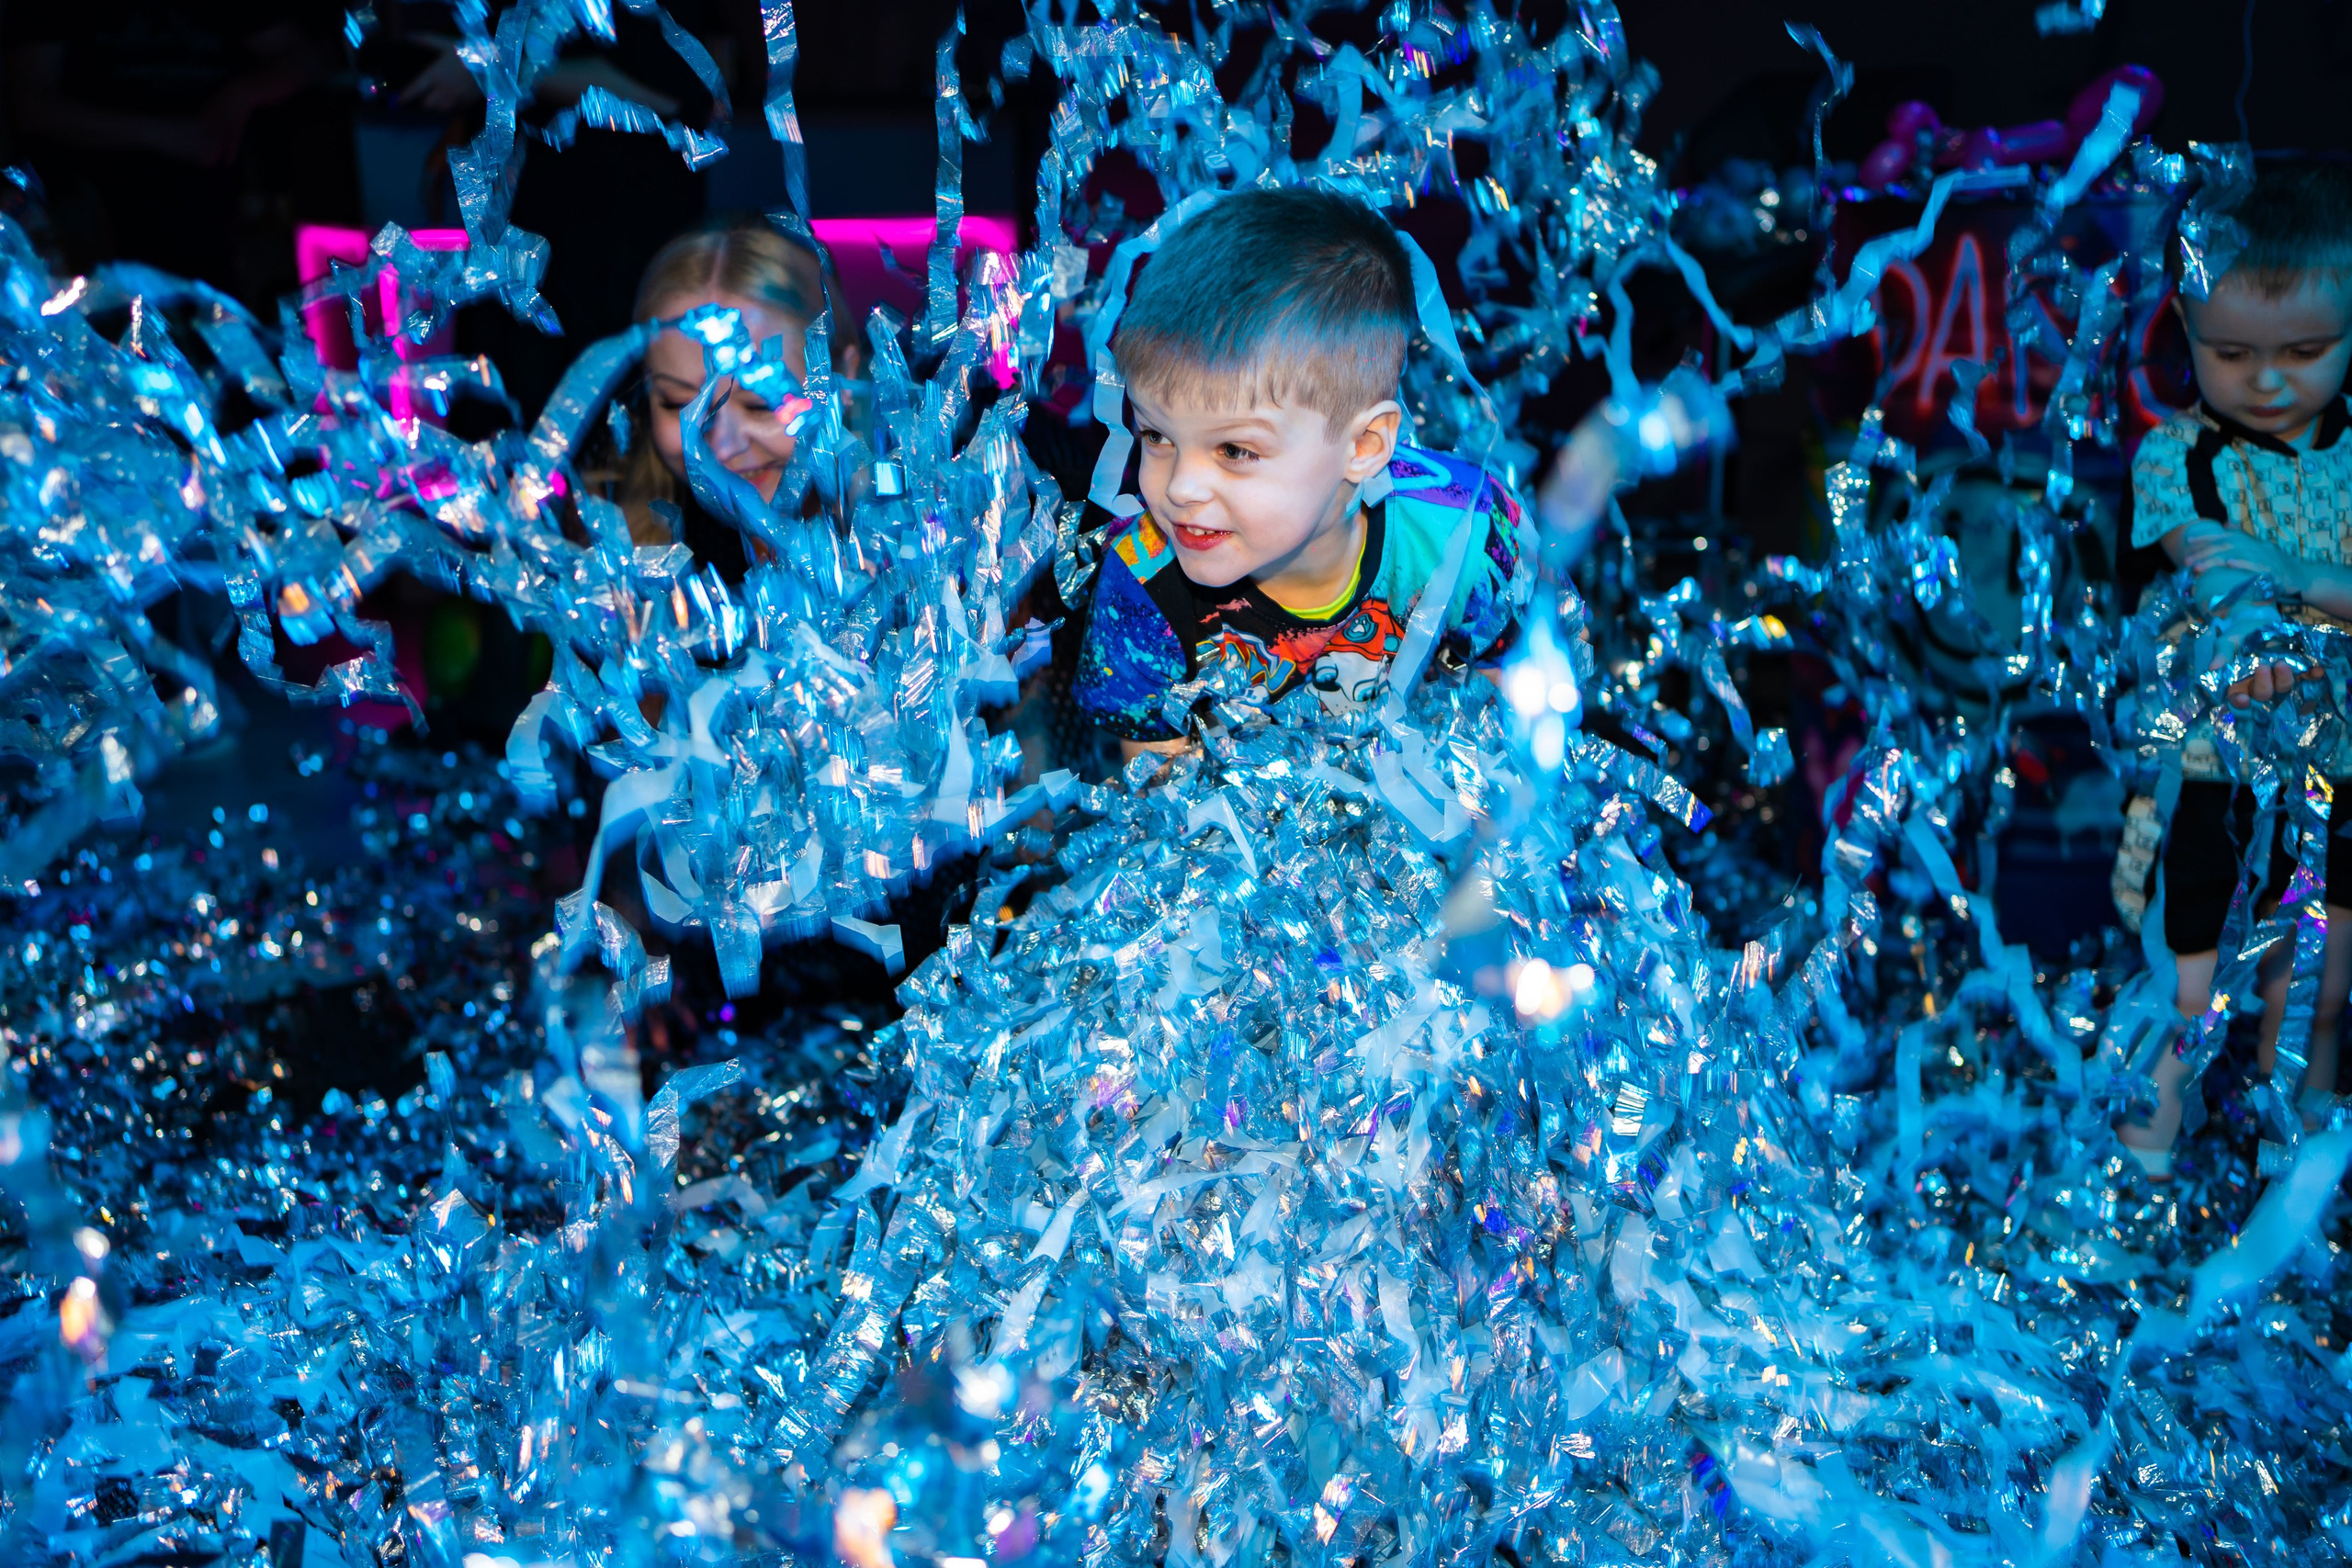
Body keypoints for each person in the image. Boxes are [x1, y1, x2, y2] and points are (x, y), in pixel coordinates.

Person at [1061, 187, 1534, 756]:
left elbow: (1526, 690)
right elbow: (1154, 798)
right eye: (1157, 437)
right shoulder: (1143, 584)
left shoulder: (1466, 536)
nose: (1179, 488)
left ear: (1363, 445)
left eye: (1235, 451)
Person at [2119, 161, 2352, 1176]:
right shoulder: (2175, 456)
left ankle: (2288, 1189)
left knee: (2317, 989)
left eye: (2305, 351)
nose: (2267, 380)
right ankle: (2139, 1174)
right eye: (2230, 352)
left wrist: (2295, 573)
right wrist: (2289, 598)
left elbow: (2280, 582)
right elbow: (2208, 574)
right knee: (2185, 985)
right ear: (2183, 328)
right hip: (2214, 766)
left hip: (2334, 767)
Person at [600, 214, 844, 581]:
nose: (723, 450)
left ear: (845, 375)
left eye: (764, 404)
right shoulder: (621, 565)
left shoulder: (929, 550)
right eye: (676, 403)